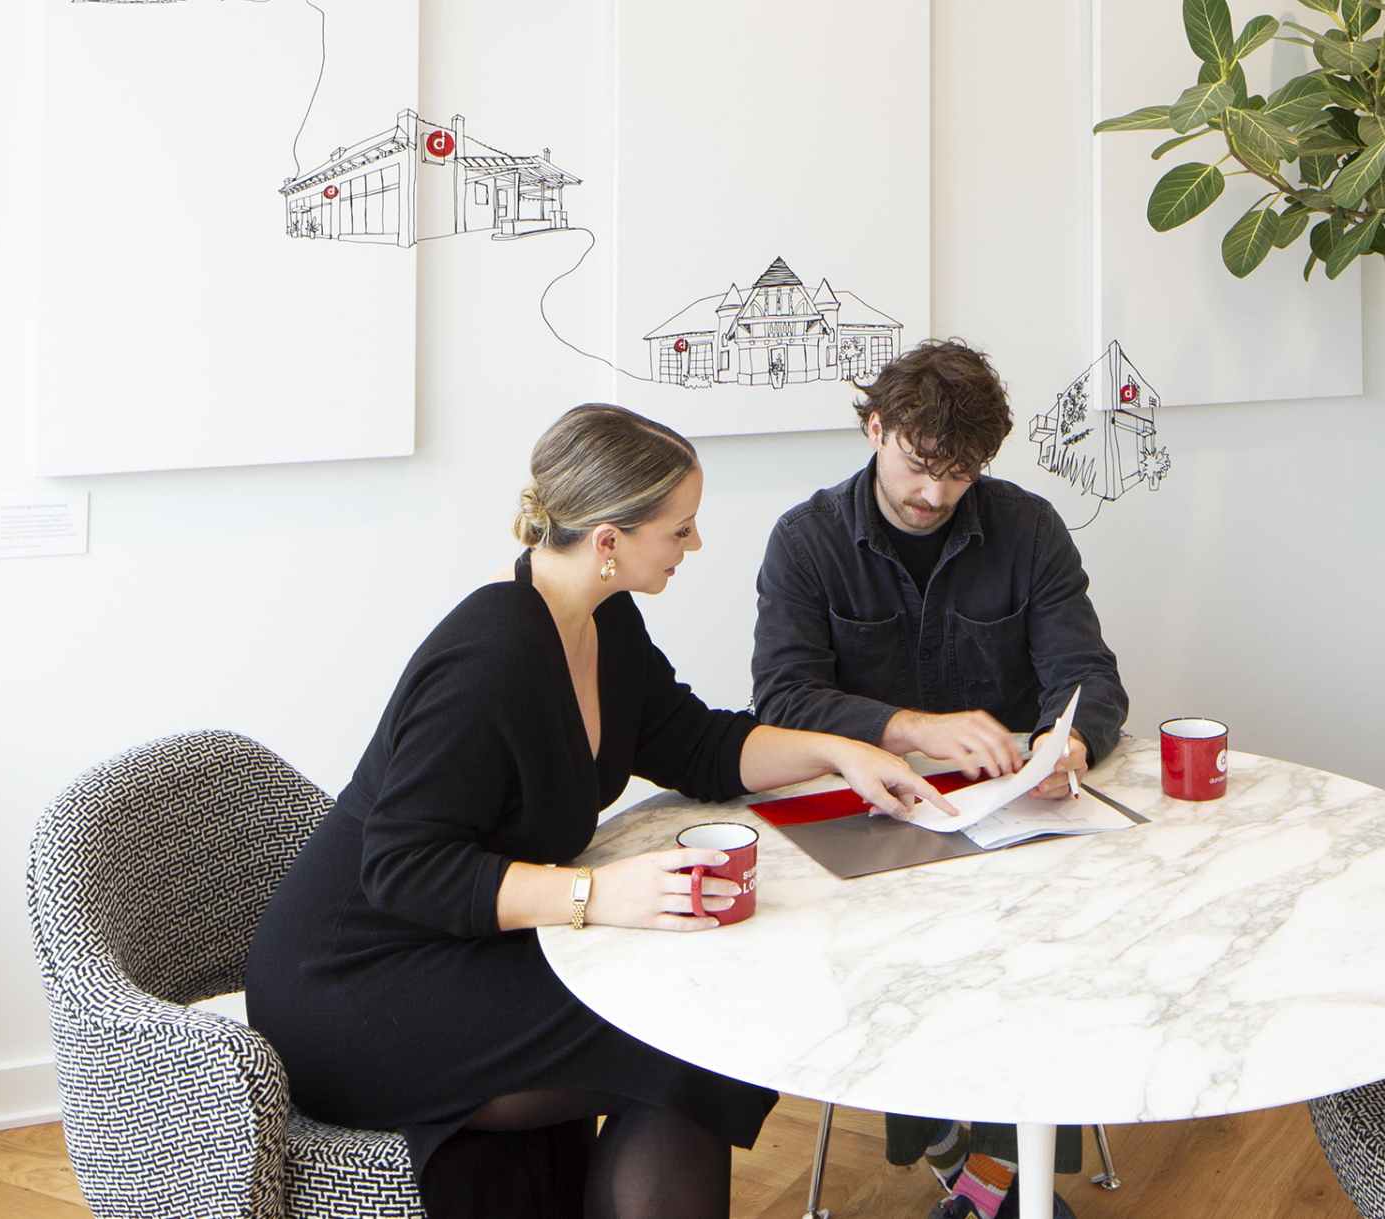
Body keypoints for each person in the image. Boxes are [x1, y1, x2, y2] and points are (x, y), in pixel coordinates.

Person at [246, 404, 958, 1219]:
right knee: (686, 1045)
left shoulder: (603, 621)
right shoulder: (492, 654)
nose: (694, 547)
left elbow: (694, 744)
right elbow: (404, 868)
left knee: (689, 1040)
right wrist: (595, 895)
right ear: (609, 539)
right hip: (353, 988)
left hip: (459, 942)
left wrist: (840, 751)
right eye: (680, 529)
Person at [751, 339, 1128, 1219]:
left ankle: (996, 1183)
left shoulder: (1027, 528)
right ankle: (976, 1168)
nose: (935, 494)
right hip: (864, 819)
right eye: (921, 467)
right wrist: (910, 728)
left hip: (1010, 824)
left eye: (959, 475)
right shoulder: (806, 541)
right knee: (905, 944)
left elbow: (1089, 678)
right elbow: (782, 698)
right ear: (874, 427)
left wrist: (1064, 746)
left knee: (1045, 941)